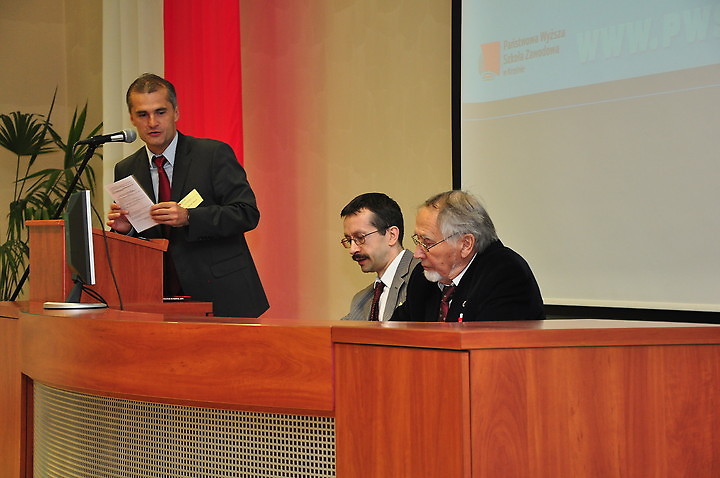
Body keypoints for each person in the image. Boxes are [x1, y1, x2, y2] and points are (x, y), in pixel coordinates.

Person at [107, 73, 269, 318]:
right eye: (143, 114)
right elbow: (142, 240)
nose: (152, 122)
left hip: (222, 294)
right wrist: (126, 230)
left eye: (160, 112)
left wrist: (189, 217)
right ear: (132, 119)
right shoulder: (126, 168)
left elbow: (246, 213)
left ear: (176, 113)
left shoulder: (212, 154)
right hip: (158, 299)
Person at [391, 190, 544, 322]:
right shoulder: (423, 278)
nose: (417, 253)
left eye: (427, 242)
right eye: (418, 240)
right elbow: (394, 333)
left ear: (466, 244)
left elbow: (488, 343)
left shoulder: (505, 274)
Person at [340, 193, 418, 321]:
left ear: (392, 235)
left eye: (360, 237)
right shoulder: (361, 300)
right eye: (349, 240)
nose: (352, 249)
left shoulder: (422, 277)